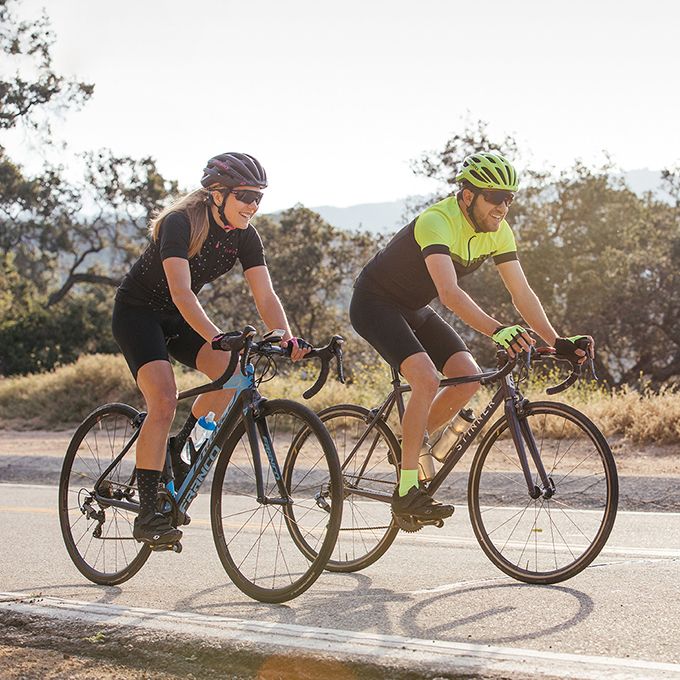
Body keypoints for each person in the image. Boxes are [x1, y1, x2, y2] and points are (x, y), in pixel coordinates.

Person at [349, 151, 593, 521]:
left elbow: (521, 294)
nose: (503, 207)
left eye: (509, 198)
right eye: (495, 197)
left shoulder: (498, 232)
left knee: (468, 376)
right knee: (426, 378)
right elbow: (448, 294)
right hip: (374, 303)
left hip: (413, 307)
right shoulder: (437, 221)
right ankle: (406, 490)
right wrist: (498, 330)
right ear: (468, 195)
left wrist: (557, 342)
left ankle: (407, 449)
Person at [112, 152, 310, 546]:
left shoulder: (245, 234)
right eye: (245, 196)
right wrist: (219, 336)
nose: (253, 206)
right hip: (139, 315)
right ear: (217, 193)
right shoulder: (180, 223)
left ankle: (180, 449)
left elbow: (265, 294)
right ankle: (149, 511)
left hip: (180, 319)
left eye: (259, 198)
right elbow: (181, 291)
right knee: (164, 401)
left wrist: (285, 335)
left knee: (234, 376)